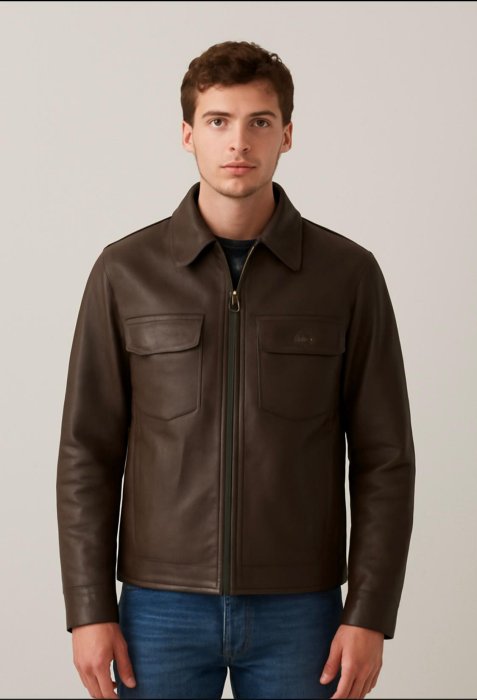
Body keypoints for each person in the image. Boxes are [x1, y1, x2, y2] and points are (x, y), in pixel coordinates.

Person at [56, 40, 416, 700]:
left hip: (301, 609)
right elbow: (87, 451)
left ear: (287, 135)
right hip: (158, 607)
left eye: (259, 122)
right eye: (218, 121)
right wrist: (88, 608)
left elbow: (385, 458)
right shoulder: (125, 272)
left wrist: (369, 612)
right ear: (187, 134)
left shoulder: (347, 275)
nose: (238, 142)